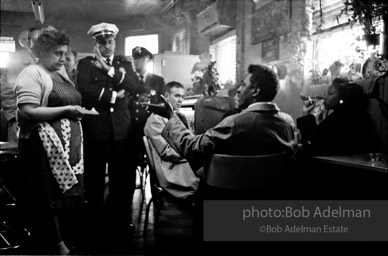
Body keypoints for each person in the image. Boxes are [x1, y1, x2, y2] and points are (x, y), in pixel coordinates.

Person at [13, 26, 84, 254]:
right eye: (57, 53)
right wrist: (68, 109)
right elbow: (27, 112)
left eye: (64, 53)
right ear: (42, 52)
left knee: (64, 195)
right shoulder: (32, 73)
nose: (63, 58)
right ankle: (56, 245)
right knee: (47, 198)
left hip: (66, 146)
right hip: (41, 146)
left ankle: (62, 240)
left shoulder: (59, 74)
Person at [150, 64, 295, 162]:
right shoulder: (288, 122)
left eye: (243, 85)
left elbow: (191, 147)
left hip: (228, 197)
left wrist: (170, 116)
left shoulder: (236, 123)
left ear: (256, 91)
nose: (238, 90)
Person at [77, 22, 139, 235]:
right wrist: (113, 95)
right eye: (102, 43)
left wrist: (109, 70)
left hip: (121, 128)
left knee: (120, 178)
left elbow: (134, 86)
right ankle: (94, 222)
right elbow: (85, 90)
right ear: (95, 43)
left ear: (115, 42)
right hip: (96, 128)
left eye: (110, 42)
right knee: (94, 178)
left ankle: (120, 220)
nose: (107, 47)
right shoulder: (85, 64)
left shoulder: (123, 63)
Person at [144, 82, 200, 201]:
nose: (180, 100)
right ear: (166, 97)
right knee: (210, 182)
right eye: (177, 96)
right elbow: (166, 151)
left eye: (182, 97)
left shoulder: (179, 116)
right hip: (172, 169)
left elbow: (189, 141)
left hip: (183, 163)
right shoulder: (155, 119)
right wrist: (192, 153)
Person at [296, 77, 376, 156]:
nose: (325, 97)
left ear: (342, 97)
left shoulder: (341, 119)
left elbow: (312, 146)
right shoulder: (357, 116)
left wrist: (306, 118)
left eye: (330, 93)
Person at [1, 27, 41, 143]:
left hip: (46, 121)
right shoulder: (16, 60)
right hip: (20, 120)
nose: (37, 42)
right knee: (19, 156)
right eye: (33, 39)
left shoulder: (51, 60)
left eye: (41, 39)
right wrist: (14, 118)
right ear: (27, 41)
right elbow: (6, 90)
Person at [130, 46, 165, 167]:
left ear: (147, 59)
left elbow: (161, 105)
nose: (135, 62)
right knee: (130, 164)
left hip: (150, 129)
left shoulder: (158, 81)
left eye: (139, 59)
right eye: (134, 59)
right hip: (131, 130)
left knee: (154, 165)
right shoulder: (129, 80)